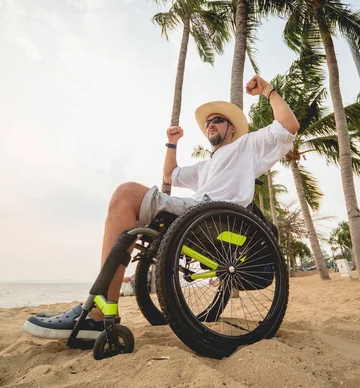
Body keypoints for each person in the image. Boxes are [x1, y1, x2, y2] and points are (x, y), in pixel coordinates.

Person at [23, 75, 300, 339]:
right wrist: (172, 143)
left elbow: (289, 125)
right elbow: (171, 175)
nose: (211, 124)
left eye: (218, 120)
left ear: (232, 128)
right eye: (208, 123)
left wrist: (267, 90)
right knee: (126, 198)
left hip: (211, 218)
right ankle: (99, 308)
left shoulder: (247, 146)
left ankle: (97, 313)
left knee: (126, 194)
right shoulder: (207, 166)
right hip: (195, 212)